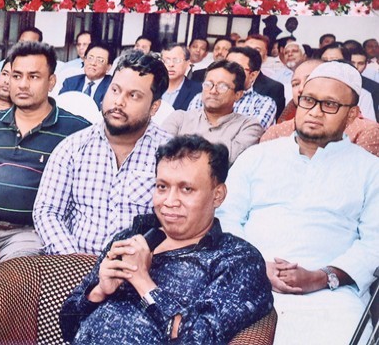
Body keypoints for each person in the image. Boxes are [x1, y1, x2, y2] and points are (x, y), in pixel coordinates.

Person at [218, 62, 379, 345]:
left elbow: (373, 243)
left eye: (329, 104)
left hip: (331, 297)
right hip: (245, 281)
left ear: (352, 114)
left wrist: (321, 277)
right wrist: (257, 265)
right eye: (308, 100)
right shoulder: (258, 156)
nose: (315, 111)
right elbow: (226, 217)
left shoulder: (370, 170)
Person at [59, 136, 273, 345]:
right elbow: (68, 328)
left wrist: (143, 283)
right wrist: (99, 291)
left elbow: (199, 338)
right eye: (162, 187)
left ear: (217, 195)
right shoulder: (130, 238)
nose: (169, 201)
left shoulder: (236, 259)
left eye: (186, 189)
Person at [0, 42, 90, 261]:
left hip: (29, 234)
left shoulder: (76, 130)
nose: (23, 84)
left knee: (13, 277)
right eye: (16, 76)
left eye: (33, 77)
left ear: (51, 82)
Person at [34, 51, 172, 255]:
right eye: (115, 90)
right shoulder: (73, 147)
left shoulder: (171, 154)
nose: (119, 102)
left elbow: (177, 225)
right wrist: (75, 260)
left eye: (133, 96)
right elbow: (47, 211)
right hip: (74, 260)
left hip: (140, 266)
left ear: (154, 107)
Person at [264, 59, 379, 155]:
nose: (301, 88)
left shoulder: (365, 132)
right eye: (295, 84)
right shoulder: (276, 133)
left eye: (329, 104)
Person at [161, 61, 264, 162]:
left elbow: (227, 160)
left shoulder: (248, 126)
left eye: (222, 86)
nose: (213, 91)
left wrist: (182, 149)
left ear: (238, 95)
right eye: (208, 84)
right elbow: (162, 152)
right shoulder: (179, 118)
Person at [187, 46, 277, 129]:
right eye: (226, 66)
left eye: (237, 68)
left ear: (252, 75)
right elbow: (189, 128)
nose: (227, 71)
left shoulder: (263, 103)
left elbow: (251, 133)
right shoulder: (204, 96)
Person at [319, 43, 377, 121]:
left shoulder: (362, 94)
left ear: (346, 63)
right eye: (324, 60)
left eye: (334, 60)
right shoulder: (309, 87)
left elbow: (369, 125)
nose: (328, 65)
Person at [59, 43, 113, 109]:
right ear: (84, 60)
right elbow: (60, 106)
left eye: (100, 60)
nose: (93, 63)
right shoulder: (70, 83)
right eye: (90, 58)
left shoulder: (112, 86)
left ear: (108, 67)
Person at [243, 35, 286, 114]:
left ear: (265, 55)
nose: (250, 53)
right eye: (246, 49)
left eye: (257, 50)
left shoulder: (274, 88)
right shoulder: (228, 78)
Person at [159, 43, 202, 111]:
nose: (171, 64)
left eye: (176, 60)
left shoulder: (198, 90)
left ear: (187, 64)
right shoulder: (152, 86)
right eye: (167, 60)